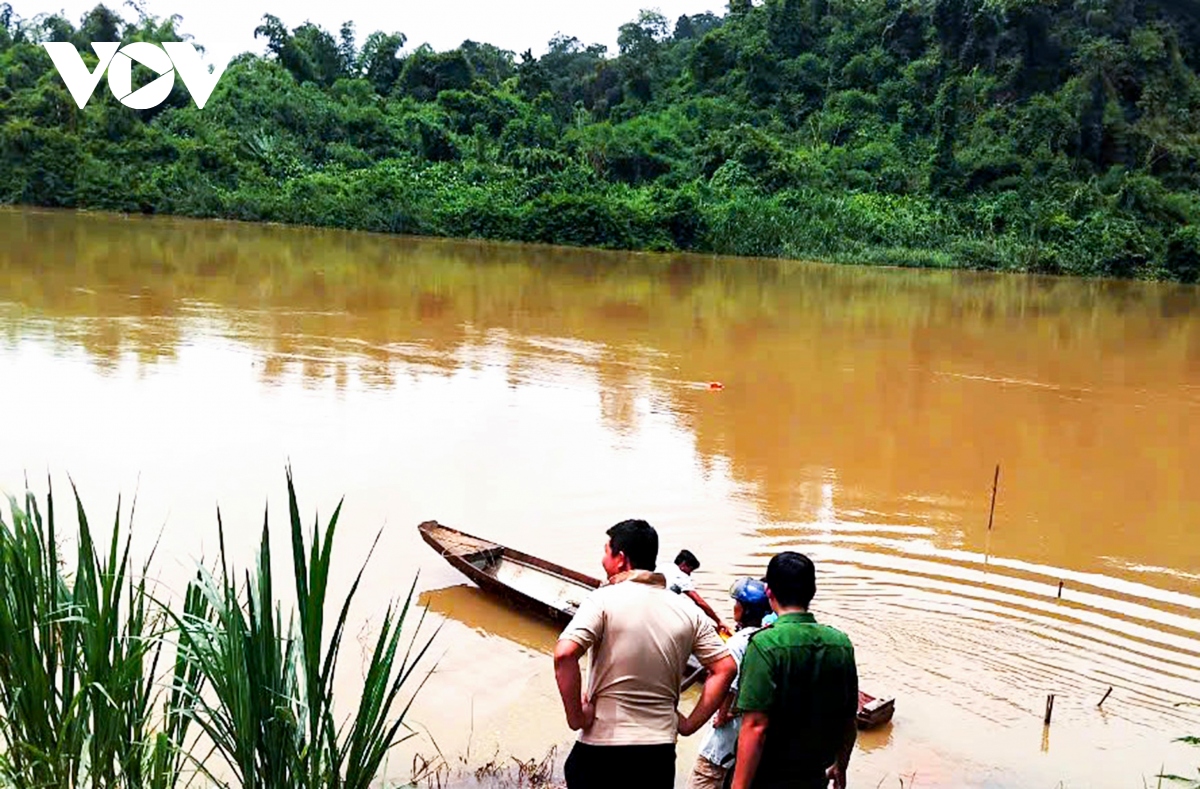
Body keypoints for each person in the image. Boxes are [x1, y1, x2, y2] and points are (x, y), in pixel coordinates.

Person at [554, 519, 738, 789]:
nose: (603, 560)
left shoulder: (602, 599)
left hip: (602, 749)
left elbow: (564, 655)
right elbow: (726, 667)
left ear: (621, 559)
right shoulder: (687, 610)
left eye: (606, 552)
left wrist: (577, 717)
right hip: (658, 753)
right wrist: (688, 724)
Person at [731, 552, 858, 789]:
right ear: (812, 591)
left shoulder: (764, 644)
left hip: (770, 777)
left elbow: (756, 726)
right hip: (814, 776)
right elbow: (848, 719)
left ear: (769, 591)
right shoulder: (840, 643)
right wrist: (841, 765)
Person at [687, 578, 772, 789]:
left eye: (737, 604)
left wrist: (722, 714)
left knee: (704, 779)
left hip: (723, 744)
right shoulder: (766, 639)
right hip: (749, 743)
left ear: (744, 610)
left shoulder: (737, 643)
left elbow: (728, 687)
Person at [663, 549, 733, 637]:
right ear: (683, 565)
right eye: (690, 570)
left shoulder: (664, 566)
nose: (689, 575)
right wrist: (718, 621)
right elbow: (699, 602)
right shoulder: (680, 575)